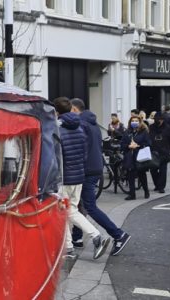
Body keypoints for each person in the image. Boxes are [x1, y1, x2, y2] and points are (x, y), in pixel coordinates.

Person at [71, 99, 132, 256]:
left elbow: (80, 149)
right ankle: (76, 237)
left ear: (74, 109)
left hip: (87, 170)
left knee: (89, 206)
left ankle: (118, 234)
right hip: (95, 166)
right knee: (79, 204)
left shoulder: (81, 124)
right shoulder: (93, 123)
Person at [54, 98, 111, 259]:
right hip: (78, 176)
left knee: (67, 211)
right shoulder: (79, 128)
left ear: (57, 112)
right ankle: (69, 248)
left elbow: (55, 157)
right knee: (68, 210)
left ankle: (97, 236)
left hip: (64, 178)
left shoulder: (58, 130)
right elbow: (84, 154)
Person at [121, 116, 152, 200]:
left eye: (136, 121)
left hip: (139, 156)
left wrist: (138, 145)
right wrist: (129, 146)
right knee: (130, 174)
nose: (134, 122)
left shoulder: (144, 132)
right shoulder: (127, 132)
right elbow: (122, 143)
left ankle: (146, 190)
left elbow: (148, 143)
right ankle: (132, 194)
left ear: (140, 122)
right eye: (133, 121)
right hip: (129, 156)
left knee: (141, 174)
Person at [149, 113, 170, 194]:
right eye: (156, 119)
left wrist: (167, 148)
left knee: (163, 171)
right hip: (153, 152)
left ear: (162, 120)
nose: (158, 121)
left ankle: (161, 187)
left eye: (159, 119)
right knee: (153, 170)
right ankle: (157, 185)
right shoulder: (150, 128)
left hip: (163, 152)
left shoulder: (167, 128)